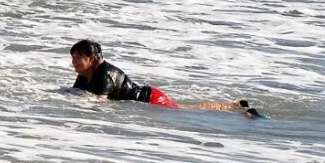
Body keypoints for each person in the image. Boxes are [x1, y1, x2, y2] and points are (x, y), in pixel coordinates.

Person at [69, 40, 262, 118]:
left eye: (78, 57)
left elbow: (98, 103)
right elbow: (78, 94)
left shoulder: (106, 74)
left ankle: (235, 107)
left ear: (92, 58)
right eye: (73, 56)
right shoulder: (85, 74)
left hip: (151, 98)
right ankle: (234, 105)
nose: (73, 61)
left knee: (190, 111)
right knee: (190, 108)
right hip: (147, 97)